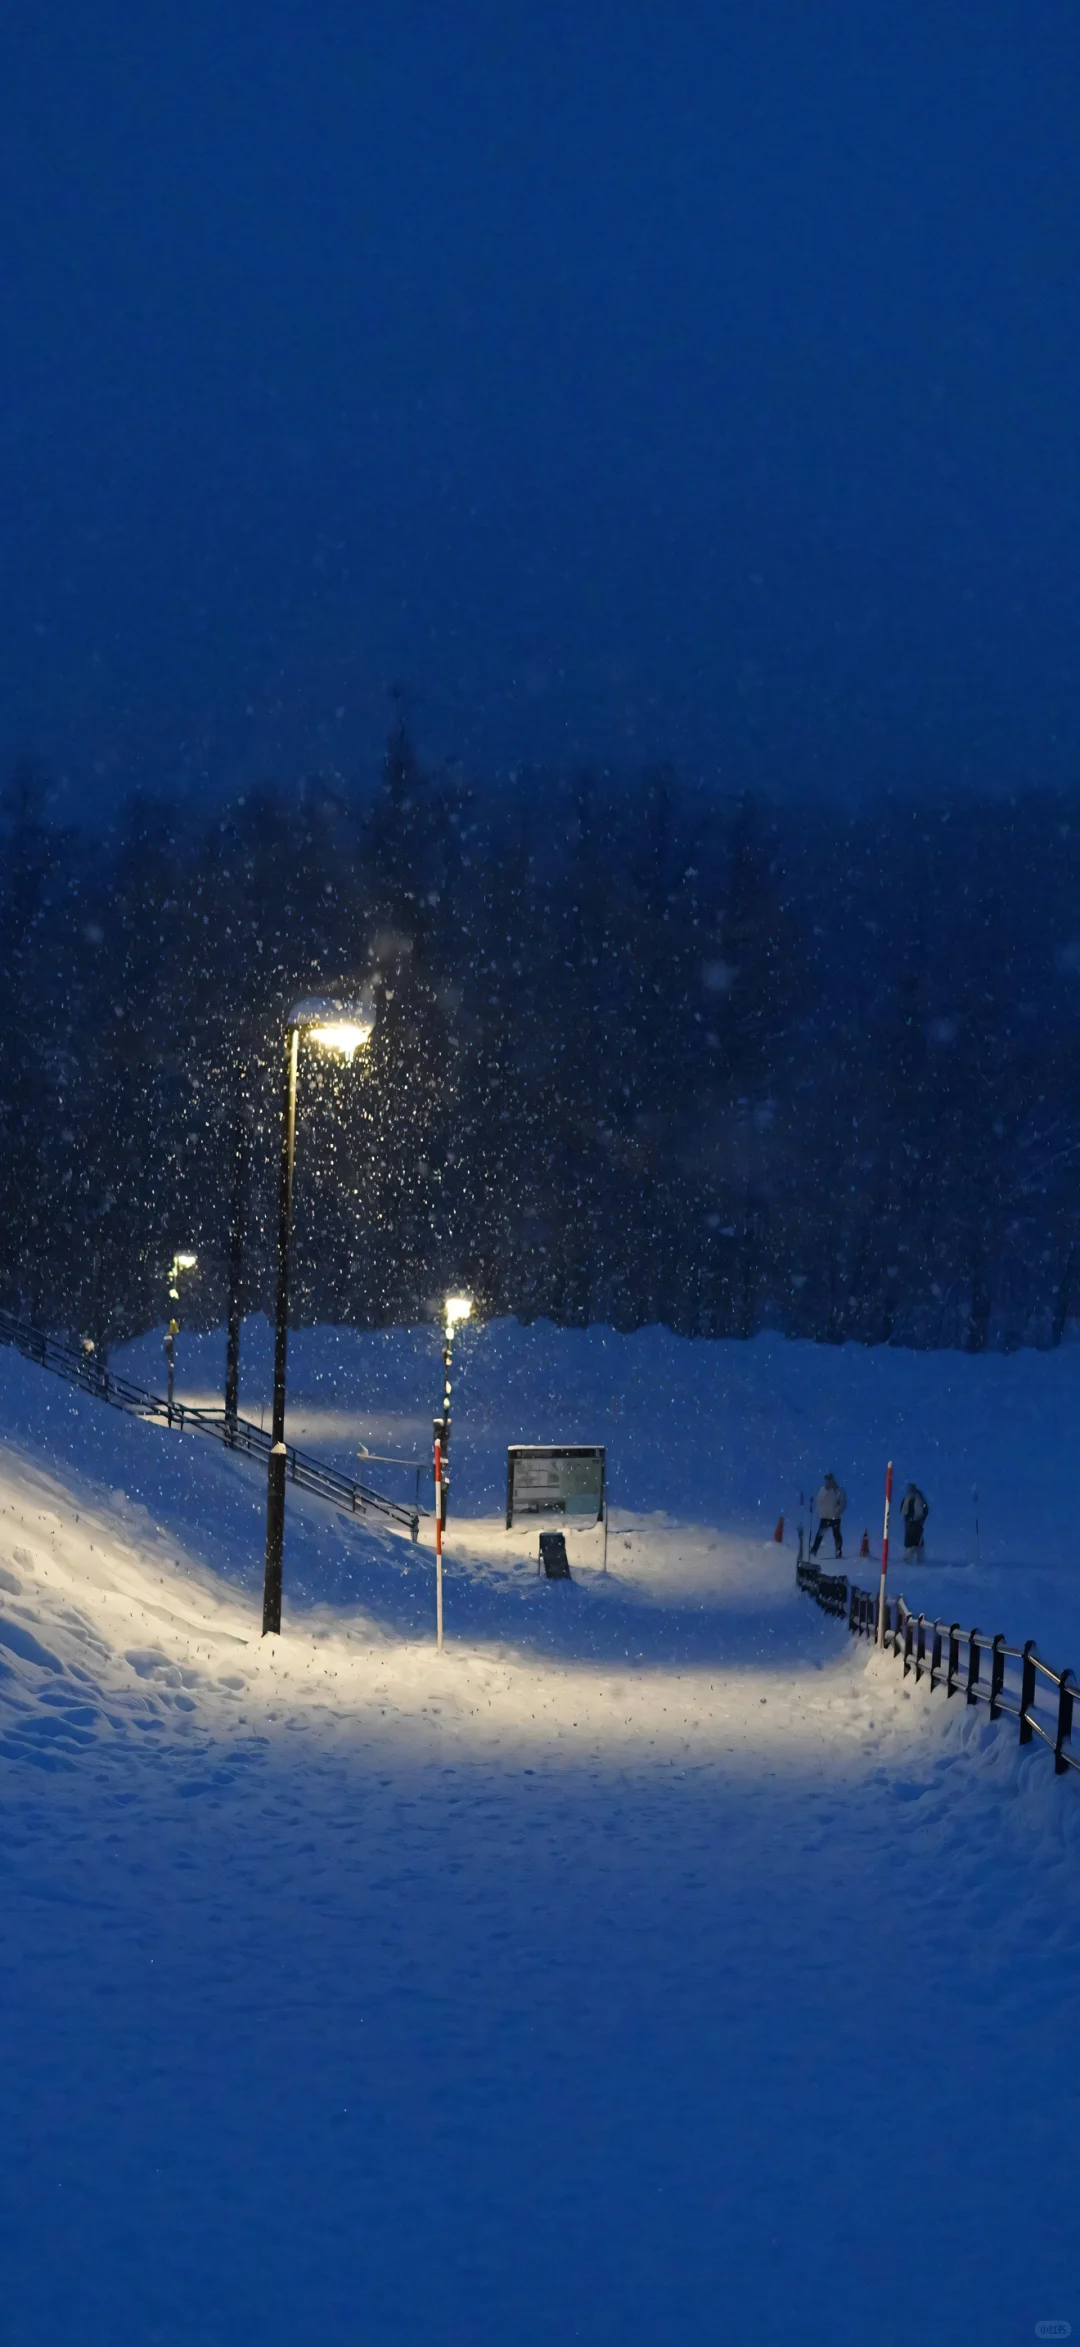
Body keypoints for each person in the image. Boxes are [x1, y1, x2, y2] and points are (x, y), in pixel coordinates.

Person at [810, 1474, 847, 1560]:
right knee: (820, 1534)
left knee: (836, 1535)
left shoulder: (838, 1490)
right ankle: (814, 1550)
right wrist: (820, 1511)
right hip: (825, 1517)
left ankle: (838, 1551)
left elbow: (843, 1503)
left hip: (835, 1517)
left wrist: (837, 1511)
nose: (828, 1481)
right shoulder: (823, 1489)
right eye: (827, 1479)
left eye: (829, 1479)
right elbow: (819, 1500)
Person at [900, 1482, 929, 1554]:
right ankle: (919, 1555)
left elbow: (904, 1511)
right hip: (918, 1521)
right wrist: (922, 1519)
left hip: (912, 1521)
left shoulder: (909, 1496)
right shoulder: (919, 1496)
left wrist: (908, 1518)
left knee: (911, 1540)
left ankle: (910, 1556)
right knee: (918, 1539)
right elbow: (925, 1509)